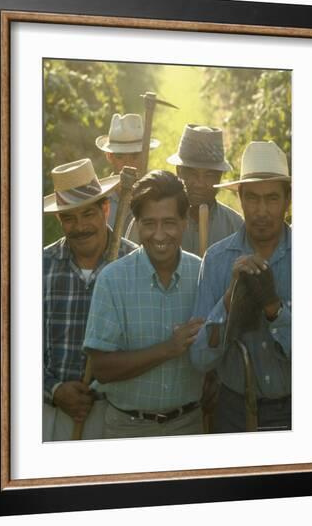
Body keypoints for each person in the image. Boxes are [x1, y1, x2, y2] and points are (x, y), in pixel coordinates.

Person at [83, 170, 205, 438]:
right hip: (127, 429)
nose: (159, 235)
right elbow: (102, 370)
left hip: (189, 427)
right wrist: (168, 349)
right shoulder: (112, 280)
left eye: (169, 222)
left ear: (185, 221)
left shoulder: (202, 275)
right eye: (149, 223)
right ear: (136, 223)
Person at [190, 141, 292, 433]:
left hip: (302, 409)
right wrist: (229, 299)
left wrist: (275, 310)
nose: (261, 211)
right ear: (241, 200)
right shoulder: (217, 260)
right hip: (234, 411)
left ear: (288, 200)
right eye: (252, 199)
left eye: (272, 198)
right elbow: (199, 358)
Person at [43, 158, 136, 441]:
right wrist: (55, 389)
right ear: (59, 220)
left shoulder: (133, 264)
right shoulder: (39, 267)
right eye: (69, 217)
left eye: (87, 214)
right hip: (51, 413)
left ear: (105, 209)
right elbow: (12, 347)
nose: (80, 226)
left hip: (116, 413)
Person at [126, 124, 242, 254]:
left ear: (220, 177)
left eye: (209, 175)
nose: (200, 183)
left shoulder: (235, 226)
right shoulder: (148, 220)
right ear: (179, 172)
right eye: (192, 173)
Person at [96, 112, 160, 233]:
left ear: (145, 155)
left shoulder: (158, 195)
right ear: (109, 156)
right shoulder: (99, 200)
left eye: (135, 156)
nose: (128, 164)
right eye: (120, 157)